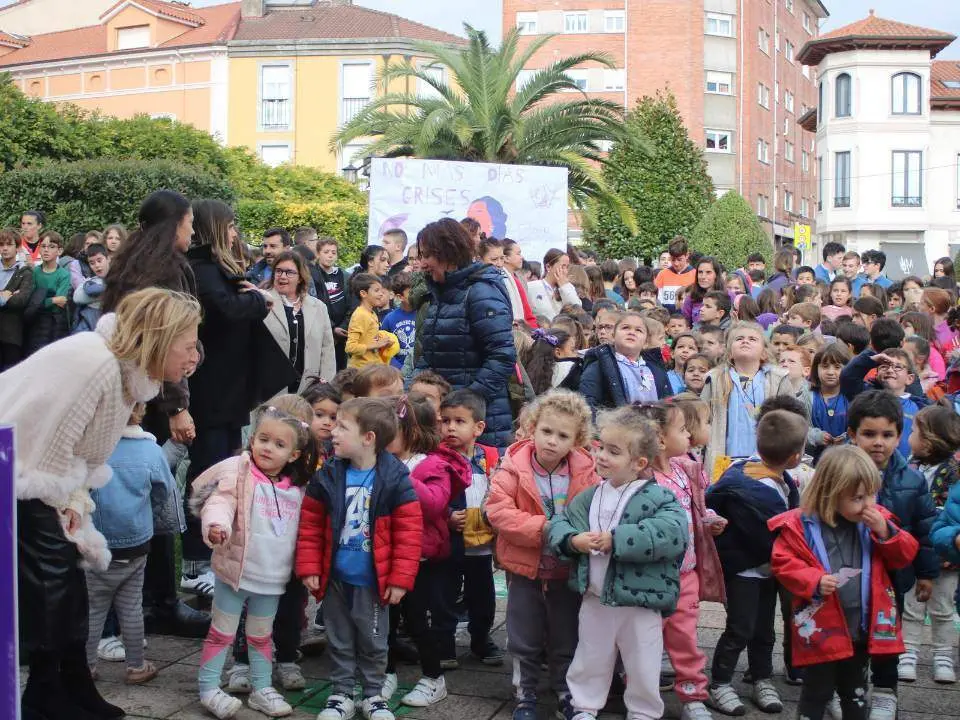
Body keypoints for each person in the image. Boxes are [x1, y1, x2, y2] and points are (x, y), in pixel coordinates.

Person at [7, 287, 200, 720]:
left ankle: (70, 684)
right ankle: (45, 696)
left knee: (71, 587)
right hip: (21, 473)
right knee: (52, 587)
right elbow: (47, 451)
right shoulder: (96, 366)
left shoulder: (125, 376)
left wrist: (74, 501)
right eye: (188, 346)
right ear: (160, 338)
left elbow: (79, 453)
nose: (193, 358)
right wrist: (68, 505)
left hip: (39, 473)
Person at [100, 189, 210, 637]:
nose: (192, 231)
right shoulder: (166, 268)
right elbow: (165, 342)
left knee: (121, 498)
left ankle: (131, 604)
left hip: (125, 396)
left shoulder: (127, 263)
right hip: (148, 398)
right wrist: (178, 407)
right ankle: (160, 603)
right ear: (174, 224)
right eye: (187, 222)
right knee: (155, 496)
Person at [547, 405, 689, 720]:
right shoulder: (588, 495)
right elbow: (560, 524)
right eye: (600, 447)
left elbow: (673, 532)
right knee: (590, 655)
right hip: (595, 596)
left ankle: (643, 711)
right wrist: (572, 540)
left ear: (639, 463)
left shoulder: (658, 497)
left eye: (613, 451)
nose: (601, 456)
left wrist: (619, 538)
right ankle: (583, 706)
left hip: (640, 600)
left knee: (643, 661)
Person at [183, 200, 295, 597]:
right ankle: (196, 561)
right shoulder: (204, 270)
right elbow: (226, 309)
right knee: (210, 472)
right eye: (229, 227)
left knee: (225, 468)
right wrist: (257, 301)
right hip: (213, 391)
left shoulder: (214, 269)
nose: (235, 234)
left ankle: (212, 554)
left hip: (227, 390)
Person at [769, 445, 920, 720]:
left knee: (857, 691)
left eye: (872, 494)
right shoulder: (801, 525)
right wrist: (813, 580)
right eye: (858, 497)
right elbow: (783, 562)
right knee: (816, 691)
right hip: (821, 630)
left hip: (861, 627)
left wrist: (886, 532)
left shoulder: (878, 520)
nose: (868, 504)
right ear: (831, 493)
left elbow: (906, 554)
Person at [298, 398, 423, 720]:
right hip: (337, 578)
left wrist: (399, 578)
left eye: (342, 427)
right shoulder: (327, 476)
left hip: (372, 581)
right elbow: (310, 525)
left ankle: (373, 694)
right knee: (338, 639)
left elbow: (409, 534)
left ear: (368, 437)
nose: (332, 433)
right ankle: (340, 694)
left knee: (374, 641)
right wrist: (310, 567)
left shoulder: (395, 480)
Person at [192, 396, 316, 719]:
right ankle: (208, 688)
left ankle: (262, 688)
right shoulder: (241, 473)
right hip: (236, 571)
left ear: (295, 454)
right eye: (263, 439)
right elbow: (219, 502)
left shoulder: (297, 488)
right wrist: (216, 525)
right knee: (222, 631)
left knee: (262, 635)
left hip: (272, 577)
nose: (268, 448)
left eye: (278, 444)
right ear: (252, 438)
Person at [487, 390, 600, 720]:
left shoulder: (586, 471)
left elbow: (595, 509)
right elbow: (499, 511)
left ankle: (565, 688)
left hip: (567, 570)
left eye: (563, 435)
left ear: (576, 440)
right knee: (524, 633)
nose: (552, 441)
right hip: (526, 568)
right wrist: (549, 529)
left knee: (568, 631)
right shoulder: (512, 468)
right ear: (532, 428)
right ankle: (525, 691)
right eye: (546, 431)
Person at [705, 410, 807, 715]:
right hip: (746, 570)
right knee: (740, 628)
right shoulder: (754, 490)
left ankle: (762, 677)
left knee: (764, 629)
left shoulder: (769, 476)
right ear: (794, 456)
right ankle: (720, 682)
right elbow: (771, 538)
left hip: (767, 572)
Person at [845, 390, 939, 719]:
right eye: (869, 434)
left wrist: (926, 574)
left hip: (891, 577)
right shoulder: (837, 472)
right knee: (848, 636)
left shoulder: (911, 480)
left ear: (899, 435)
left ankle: (886, 690)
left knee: (888, 635)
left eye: (888, 434)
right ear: (852, 434)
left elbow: (924, 530)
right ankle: (847, 689)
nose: (879, 443)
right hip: (848, 573)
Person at [385, 395, 472, 708]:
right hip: (387, 555)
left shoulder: (433, 464)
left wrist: (399, 475)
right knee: (385, 621)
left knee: (421, 621)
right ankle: (386, 673)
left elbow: (435, 504)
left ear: (411, 431)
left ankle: (433, 678)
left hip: (422, 558)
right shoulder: (381, 460)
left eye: (389, 430)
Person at [642, 403, 726, 720]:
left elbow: (697, 509)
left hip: (685, 573)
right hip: (650, 577)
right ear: (660, 439)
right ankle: (642, 695)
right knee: (645, 641)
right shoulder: (643, 478)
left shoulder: (685, 470)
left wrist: (710, 519)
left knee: (686, 640)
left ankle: (693, 696)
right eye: (681, 429)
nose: (689, 433)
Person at [85, 402, 174, 686]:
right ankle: (136, 666)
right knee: (132, 607)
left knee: (94, 608)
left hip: (97, 544)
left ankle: (85, 667)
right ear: (139, 412)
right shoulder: (150, 450)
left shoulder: (93, 451)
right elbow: (165, 490)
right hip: (136, 543)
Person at [415, 218, 516, 447]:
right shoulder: (441, 295)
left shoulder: (480, 291)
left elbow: (502, 355)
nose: (422, 264)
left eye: (426, 255)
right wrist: (413, 391)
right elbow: (429, 357)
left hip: (480, 424)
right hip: (450, 420)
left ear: (447, 253)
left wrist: (468, 401)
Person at [438, 390, 503, 671]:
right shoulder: (437, 457)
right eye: (445, 421)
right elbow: (430, 496)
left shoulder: (490, 457)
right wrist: (447, 516)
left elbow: (500, 491)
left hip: (481, 542)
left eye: (459, 421)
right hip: (450, 541)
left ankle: (480, 637)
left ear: (478, 427)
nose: (450, 427)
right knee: (446, 593)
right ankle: (444, 642)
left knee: (483, 595)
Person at [900, 405, 960, 683]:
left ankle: (943, 655)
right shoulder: (909, 465)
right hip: (915, 549)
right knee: (912, 605)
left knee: (943, 606)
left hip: (946, 553)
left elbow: (950, 513)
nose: (909, 437)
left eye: (913, 431)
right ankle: (908, 651)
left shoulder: (953, 473)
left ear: (930, 439)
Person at [700, 321, 793, 475]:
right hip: (724, 462)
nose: (745, 341)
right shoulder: (715, 379)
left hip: (765, 463)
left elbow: (791, 421)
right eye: (739, 339)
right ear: (729, 352)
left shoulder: (778, 379)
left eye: (752, 339)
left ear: (764, 352)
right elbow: (702, 421)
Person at [263, 250, 336, 392]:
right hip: (270, 392)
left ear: (301, 277)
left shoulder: (319, 307)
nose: (282, 276)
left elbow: (327, 351)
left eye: (289, 272)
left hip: (307, 391)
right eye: (278, 271)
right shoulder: (262, 302)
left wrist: (325, 387)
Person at [580, 310, 673, 410]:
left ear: (646, 342)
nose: (631, 332)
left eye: (638, 330)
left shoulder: (657, 371)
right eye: (625, 328)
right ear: (613, 336)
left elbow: (669, 408)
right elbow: (589, 405)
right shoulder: (599, 367)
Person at [24, 231, 71, 356]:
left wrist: (41, 301)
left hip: (55, 323)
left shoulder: (64, 274)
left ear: (59, 251)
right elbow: (30, 301)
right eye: (43, 246)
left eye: (51, 247)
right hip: (35, 322)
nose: (46, 250)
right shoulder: (34, 272)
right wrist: (52, 300)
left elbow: (61, 302)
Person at [311, 237, 351, 370]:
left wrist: (343, 326)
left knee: (340, 369)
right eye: (326, 252)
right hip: (323, 330)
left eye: (333, 252)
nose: (330, 255)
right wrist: (332, 328)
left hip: (341, 333)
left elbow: (351, 302)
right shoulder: (313, 274)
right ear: (318, 254)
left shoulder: (344, 275)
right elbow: (313, 303)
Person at [0, 227, 35, 369]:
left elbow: (21, 301)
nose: (4, 248)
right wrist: (4, 296)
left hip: (11, 334)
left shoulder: (25, 272)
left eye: (9, 244)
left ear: (18, 247)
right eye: (1, 245)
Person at [345, 272, 391, 368]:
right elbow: (350, 347)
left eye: (381, 290)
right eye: (376, 290)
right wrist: (377, 345)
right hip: (361, 371)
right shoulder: (359, 315)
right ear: (363, 293)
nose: (381, 294)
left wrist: (384, 342)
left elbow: (369, 339)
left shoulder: (372, 313)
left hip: (373, 367)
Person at [527, 249, 582, 321]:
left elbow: (577, 310)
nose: (565, 271)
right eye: (563, 266)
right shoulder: (532, 287)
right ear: (548, 267)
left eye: (567, 267)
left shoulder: (569, 287)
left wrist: (564, 287)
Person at [381, 272, 416, 370]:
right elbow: (383, 350)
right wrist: (398, 369)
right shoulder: (389, 319)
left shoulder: (423, 313)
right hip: (397, 371)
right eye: (411, 292)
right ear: (400, 297)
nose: (415, 294)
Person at [72, 243, 110, 334]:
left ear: (108, 259)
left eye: (99, 260)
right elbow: (77, 297)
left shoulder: (119, 279)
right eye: (92, 263)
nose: (96, 265)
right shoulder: (90, 282)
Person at [654, 236, 696, 311]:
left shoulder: (695, 275)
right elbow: (657, 300)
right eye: (673, 259)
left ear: (687, 255)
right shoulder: (662, 274)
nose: (676, 263)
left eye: (679, 259)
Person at [682, 257, 725, 326]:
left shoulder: (728, 295)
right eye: (700, 272)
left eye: (708, 272)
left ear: (716, 275)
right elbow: (686, 325)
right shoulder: (691, 298)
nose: (703, 276)